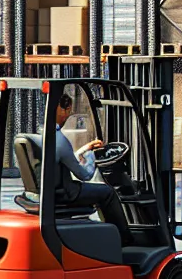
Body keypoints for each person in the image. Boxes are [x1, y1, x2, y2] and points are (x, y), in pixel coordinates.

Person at [52, 93, 134, 246]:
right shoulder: (59, 139)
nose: (68, 115)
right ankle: (124, 241)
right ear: (63, 109)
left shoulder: (43, 135)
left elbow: (65, 159)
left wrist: (85, 149)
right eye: (68, 110)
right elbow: (85, 175)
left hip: (52, 192)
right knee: (107, 193)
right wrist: (92, 155)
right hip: (66, 193)